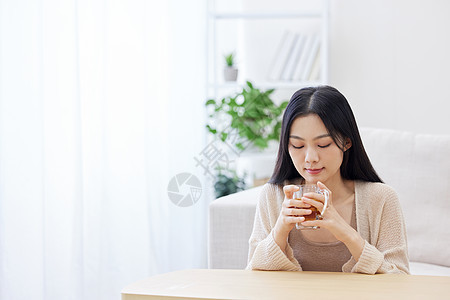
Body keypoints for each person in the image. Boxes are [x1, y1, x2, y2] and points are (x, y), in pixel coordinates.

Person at [246, 86, 409, 274]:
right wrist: (281, 230)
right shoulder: (273, 195)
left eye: (323, 144)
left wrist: (347, 233)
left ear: (347, 142)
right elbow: (252, 278)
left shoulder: (381, 198)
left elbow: (400, 279)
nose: (310, 158)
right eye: (297, 145)